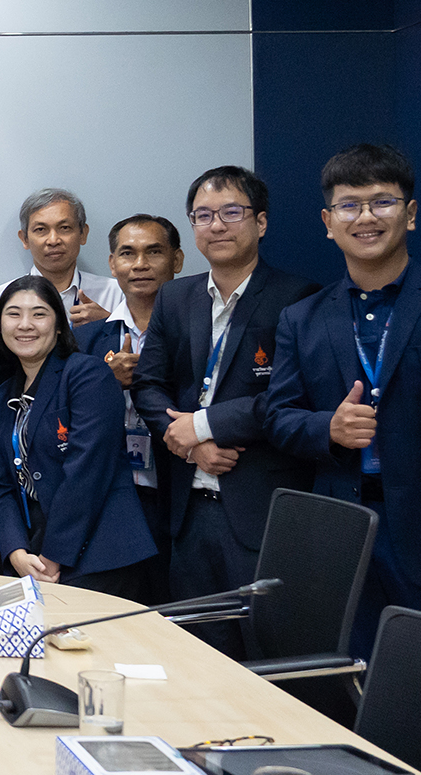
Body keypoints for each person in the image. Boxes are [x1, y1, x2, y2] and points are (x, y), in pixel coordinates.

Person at [267, 144, 421, 659]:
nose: (365, 217)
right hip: (338, 530)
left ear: (411, 213)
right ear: (328, 222)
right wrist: (328, 428)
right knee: (343, 672)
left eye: (382, 202)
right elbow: (277, 416)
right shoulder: (302, 317)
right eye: (349, 205)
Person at [133, 166, 319, 656]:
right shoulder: (176, 296)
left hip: (258, 509)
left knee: (269, 652)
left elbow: (287, 398)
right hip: (188, 509)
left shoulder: (297, 298)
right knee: (197, 652)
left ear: (261, 222)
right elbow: (148, 383)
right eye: (203, 215)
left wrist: (201, 425)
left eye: (231, 213)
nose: (216, 225)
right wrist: (190, 446)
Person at [0, 277, 155, 597]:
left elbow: (87, 474)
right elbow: (3, 484)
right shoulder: (4, 394)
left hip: (99, 553)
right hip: (35, 553)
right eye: (13, 314)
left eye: (39, 314)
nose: (25, 324)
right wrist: (15, 551)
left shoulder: (88, 374)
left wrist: (52, 557)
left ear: (59, 326)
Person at [75, 214, 184, 604]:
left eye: (153, 252)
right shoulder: (85, 339)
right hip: (109, 498)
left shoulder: (194, 330)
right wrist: (105, 382)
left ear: (177, 260)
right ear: (112, 263)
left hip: (174, 496)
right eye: (127, 253)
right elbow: (63, 416)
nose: (140, 264)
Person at [3, 188, 123, 326]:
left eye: (64, 228)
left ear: (83, 234)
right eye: (41, 229)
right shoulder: (1, 299)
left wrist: (108, 325)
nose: (53, 240)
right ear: (24, 239)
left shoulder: (116, 294)